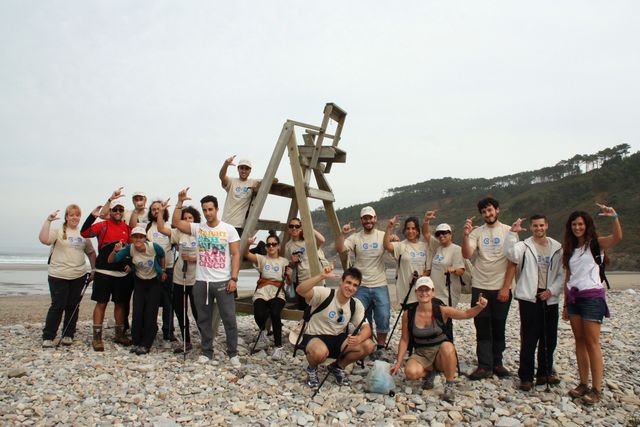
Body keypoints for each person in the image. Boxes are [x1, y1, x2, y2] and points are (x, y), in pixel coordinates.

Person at [172, 187, 241, 367]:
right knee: (203, 319)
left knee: (229, 318)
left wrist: (233, 278)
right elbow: (176, 222)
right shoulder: (198, 228)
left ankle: (233, 353)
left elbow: (236, 255)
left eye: (211, 209)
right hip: (201, 282)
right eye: (205, 210)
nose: (208, 213)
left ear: (217, 209)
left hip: (223, 281)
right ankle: (207, 351)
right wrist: (180, 202)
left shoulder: (229, 229)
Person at [390, 277, 488, 402]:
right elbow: (404, 339)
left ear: (433, 292)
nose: (424, 293)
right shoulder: (408, 313)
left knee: (447, 347)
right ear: (416, 292)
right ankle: (430, 372)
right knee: (410, 373)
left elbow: (465, 314)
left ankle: (449, 384)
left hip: (440, 352)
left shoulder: (441, 310)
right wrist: (398, 363)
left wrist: (480, 307)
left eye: (427, 290)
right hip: (421, 353)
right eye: (420, 290)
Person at [562, 204, 622, 405]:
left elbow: (617, 238)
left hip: (592, 298)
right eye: (574, 224)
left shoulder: (596, 244)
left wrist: (614, 217)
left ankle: (597, 389)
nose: (577, 227)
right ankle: (583, 383)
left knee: (592, 342)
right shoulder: (571, 250)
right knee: (579, 341)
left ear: (587, 226)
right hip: (574, 299)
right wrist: (565, 304)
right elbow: (568, 277)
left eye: (581, 224)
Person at [504, 215, 564, 391]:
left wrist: (551, 291)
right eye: (535, 226)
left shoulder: (557, 247)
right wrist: (512, 234)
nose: (539, 228)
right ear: (531, 228)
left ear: (547, 226)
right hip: (530, 296)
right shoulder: (524, 245)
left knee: (549, 338)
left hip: (550, 297)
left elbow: (562, 274)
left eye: (541, 225)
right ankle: (526, 376)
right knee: (529, 339)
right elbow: (510, 254)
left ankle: (545, 373)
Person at [297, 265, 376, 388]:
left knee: (368, 345)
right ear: (341, 281)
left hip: (337, 339)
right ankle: (312, 369)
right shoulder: (325, 294)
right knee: (319, 353)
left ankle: (338, 367)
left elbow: (367, 329)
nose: (350, 288)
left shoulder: (355, 304)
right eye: (348, 282)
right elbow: (300, 290)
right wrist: (321, 276)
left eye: (355, 285)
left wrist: (359, 339)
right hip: (315, 336)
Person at [461, 197, 513, 379]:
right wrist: (466, 234)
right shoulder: (477, 232)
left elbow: (513, 262)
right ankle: (484, 365)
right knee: (482, 325)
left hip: (501, 287)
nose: (487, 214)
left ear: (497, 210)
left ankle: (497, 363)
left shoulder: (508, 231)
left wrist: (506, 287)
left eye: (490, 210)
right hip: (480, 285)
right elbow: (467, 254)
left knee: (499, 325)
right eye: (484, 212)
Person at [336, 206, 390, 358]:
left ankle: (381, 346)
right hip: (361, 286)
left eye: (370, 217)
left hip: (380, 284)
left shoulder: (382, 235)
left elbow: (391, 246)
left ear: (375, 218)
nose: (368, 220)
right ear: (362, 220)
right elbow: (340, 248)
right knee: (362, 318)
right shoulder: (355, 237)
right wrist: (343, 234)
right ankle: (370, 346)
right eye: (365, 218)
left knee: (383, 316)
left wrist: (393, 237)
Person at [39, 205, 96, 347]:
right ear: (66, 216)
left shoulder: (83, 233)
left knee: (73, 306)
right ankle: (48, 336)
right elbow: (44, 240)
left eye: (77, 215)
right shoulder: (58, 230)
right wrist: (48, 221)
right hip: (58, 275)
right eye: (72, 215)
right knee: (58, 305)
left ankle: (68, 334)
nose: (75, 218)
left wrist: (94, 269)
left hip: (78, 275)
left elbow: (91, 252)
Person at [81, 197, 133, 351]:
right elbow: (84, 232)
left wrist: (129, 264)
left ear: (123, 212)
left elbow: (132, 250)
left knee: (120, 304)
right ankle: (97, 338)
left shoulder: (128, 228)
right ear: (110, 212)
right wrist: (92, 216)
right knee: (101, 303)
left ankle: (119, 334)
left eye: (120, 210)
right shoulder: (102, 225)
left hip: (120, 273)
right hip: (103, 270)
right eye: (115, 209)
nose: (118, 212)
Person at [108, 227, 167, 355]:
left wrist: (163, 271)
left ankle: (146, 344)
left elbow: (162, 256)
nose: (138, 239)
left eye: (141, 236)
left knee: (151, 312)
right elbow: (111, 260)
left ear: (145, 238)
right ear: (132, 238)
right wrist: (115, 250)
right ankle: (136, 342)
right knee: (137, 312)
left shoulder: (154, 247)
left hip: (153, 281)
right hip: (139, 281)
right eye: (135, 236)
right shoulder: (130, 248)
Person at [159, 205, 201, 353]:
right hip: (179, 276)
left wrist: (193, 258)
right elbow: (161, 229)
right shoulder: (178, 233)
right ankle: (186, 342)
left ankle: (206, 340)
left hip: (196, 278)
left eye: (190, 218)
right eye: (185, 218)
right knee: (180, 310)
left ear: (195, 219)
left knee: (198, 311)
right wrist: (162, 212)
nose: (188, 221)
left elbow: (209, 255)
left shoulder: (201, 232)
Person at [244, 232, 291, 359]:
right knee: (259, 313)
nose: (271, 247)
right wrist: (248, 244)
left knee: (275, 313)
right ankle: (263, 333)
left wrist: (290, 275)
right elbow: (246, 254)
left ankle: (278, 346)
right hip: (262, 291)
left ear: (278, 247)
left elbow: (288, 281)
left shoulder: (284, 261)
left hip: (277, 291)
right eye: (268, 244)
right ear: (266, 247)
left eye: (274, 244)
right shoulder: (262, 258)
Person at [142, 199, 176, 345]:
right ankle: (150, 330)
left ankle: (168, 332)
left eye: (159, 209)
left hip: (168, 268)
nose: (156, 211)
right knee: (151, 302)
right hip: (151, 270)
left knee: (169, 303)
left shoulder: (170, 226)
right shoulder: (147, 226)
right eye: (154, 209)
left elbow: (178, 244)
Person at [421, 212, 466, 309]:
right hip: (434, 292)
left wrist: (454, 270)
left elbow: (461, 271)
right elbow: (426, 233)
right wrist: (426, 220)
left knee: (445, 320)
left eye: (444, 233)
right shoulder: (437, 246)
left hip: (448, 293)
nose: (441, 236)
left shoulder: (456, 249)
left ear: (450, 234)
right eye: (438, 234)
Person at [383, 215, 429, 306]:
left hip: (423, 292)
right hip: (405, 292)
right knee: (408, 319)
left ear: (417, 231)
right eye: (408, 228)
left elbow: (429, 269)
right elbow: (387, 245)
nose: (410, 231)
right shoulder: (400, 245)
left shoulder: (425, 246)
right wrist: (389, 227)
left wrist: (421, 277)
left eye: (413, 228)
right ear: (404, 230)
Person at [284, 217, 328, 310]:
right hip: (302, 281)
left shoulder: (309, 240)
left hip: (317, 279)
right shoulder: (288, 246)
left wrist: (309, 227)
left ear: (301, 228)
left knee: (320, 308)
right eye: (291, 226)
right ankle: (305, 325)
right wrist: (293, 261)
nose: (294, 228)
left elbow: (322, 240)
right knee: (304, 310)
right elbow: (289, 265)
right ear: (289, 229)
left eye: (297, 226)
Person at [219, 156, 260, 236]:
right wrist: (226, 164)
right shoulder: (232, 181)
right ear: (238, 169)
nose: (244, 171)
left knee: (237, 248)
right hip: (227, 223)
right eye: (242, 168)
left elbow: (270, 181)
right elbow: (222, 177)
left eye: (246, 169)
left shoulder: (253, 182)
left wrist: (258, 187)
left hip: (241, 226)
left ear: (250, 171)